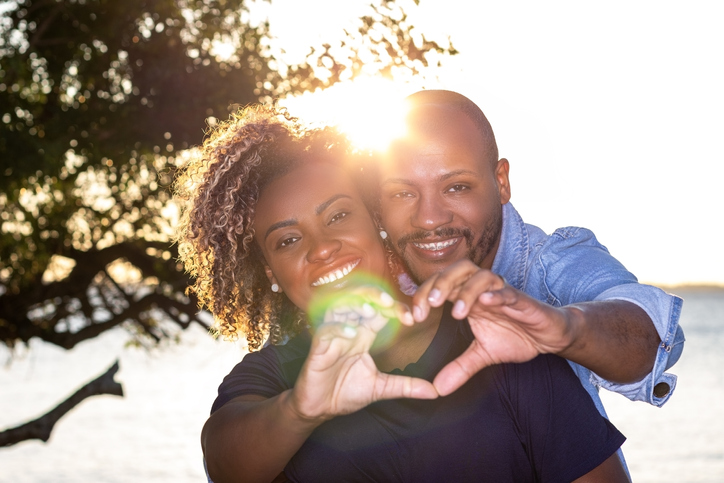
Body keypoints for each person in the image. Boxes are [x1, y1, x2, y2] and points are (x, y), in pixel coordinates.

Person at [175, 105, 629, 483]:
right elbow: (224, 464)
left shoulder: (496, 343)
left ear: (377, 222)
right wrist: (300, 411)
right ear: (270, 271)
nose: (322, 248)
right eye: (287, 241)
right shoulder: (270, 378)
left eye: (337, 217)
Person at [374, 89, 685, 412]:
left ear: (501, 182)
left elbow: (654, 338)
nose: (428, 218)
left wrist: (564, 328)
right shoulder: (375, 273)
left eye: (457, 187)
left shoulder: (549, 266)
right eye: (402, 193)